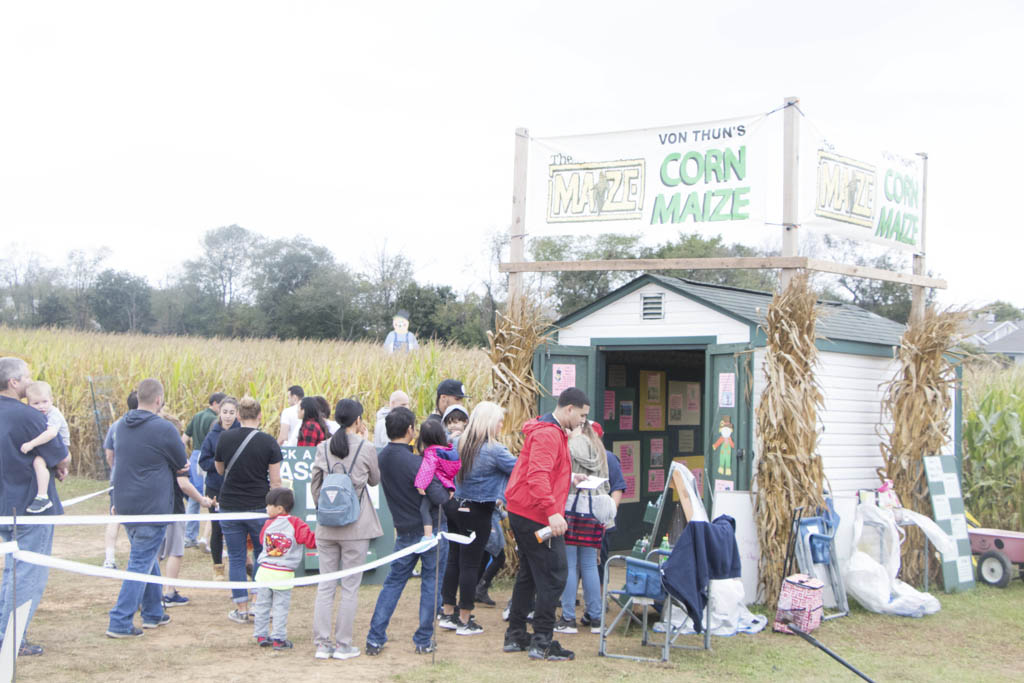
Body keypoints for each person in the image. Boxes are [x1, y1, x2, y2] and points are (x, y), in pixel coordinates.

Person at [503, 387, 590, 662]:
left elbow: (544, 470)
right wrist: (553, 513)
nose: (582, 422)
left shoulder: (548, 431)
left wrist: (569, 478)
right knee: (555, 575)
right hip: (536, 515)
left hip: (524, 511)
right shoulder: (549, 434)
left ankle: (516, 635)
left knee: (529, 573)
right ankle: (542, 641)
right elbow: (537, 476)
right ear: (569, 409)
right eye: (582, 416)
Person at [106, 378, 188, 638]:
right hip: (152, 505)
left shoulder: (120, 425)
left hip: (125, 503)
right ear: (158, 400)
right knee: (140, 561)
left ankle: (153, 612)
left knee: (146, 554)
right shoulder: (164, 428)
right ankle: (119, 621)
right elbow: (181, 463)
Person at [365, 407, 450, 656]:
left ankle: (375, 637)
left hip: (403, 530)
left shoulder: (383, 458)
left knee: (393, 583)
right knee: (431, 584)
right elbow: (439, 496)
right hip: (430, 530)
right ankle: (423, 639)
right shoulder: (416, 462)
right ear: (410, 430)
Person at [0, 357, 69, 656]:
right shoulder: (27, 415)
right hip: (29, 507)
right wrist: (59, 465)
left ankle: (5, 632)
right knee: (28, 573)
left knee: (11, 573)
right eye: (26, 378)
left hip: (4, 504)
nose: (30, 382)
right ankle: (11, 639)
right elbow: (59, 455)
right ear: (14, 382)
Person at [310, 399, 382, 660]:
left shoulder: (323, 447)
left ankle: (322, 644)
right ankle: (343, 644)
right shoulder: (366, 448)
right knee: (350, 587)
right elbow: (374, 480)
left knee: (325, 584)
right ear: (358, 420)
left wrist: (325, 508)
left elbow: (315, 485)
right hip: (356, 526)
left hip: (326, 526)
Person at [439, 401, 516, 635]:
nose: (502, 425)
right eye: (499, 421)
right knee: (471, 564)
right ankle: (465, 618)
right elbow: (519, 470)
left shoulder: (456, 442)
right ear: (489, 422)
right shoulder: (495, 450)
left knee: (454, 559)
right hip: (479, 510)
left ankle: (448, 612)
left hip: (454, 507)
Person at [215, 396, 283, 624]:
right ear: (260, 415)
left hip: (230, 505)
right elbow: (276, 482)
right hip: (259, 506)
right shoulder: (268, 442)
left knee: (235, 557)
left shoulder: (225, 438)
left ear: (239, 416)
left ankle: (241, 607)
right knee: (262, 556)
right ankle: (257, 603)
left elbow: (219, 469)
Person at [556, 418, 610, 635]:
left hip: (571, 507)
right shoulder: (598, 447)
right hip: (594, 510)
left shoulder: (570, 445)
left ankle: (568, 617)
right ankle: (596, 617)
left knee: (569, 564)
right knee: (589, 564)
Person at [158, 410, 214, 608]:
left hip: (152, 506)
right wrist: (202, 500)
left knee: (152, 553)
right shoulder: (174, 452)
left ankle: (149, 593)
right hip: (171, 507)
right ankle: (169, 592)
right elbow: (183, 483)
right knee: (175, 551)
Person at [252, 487, 316, 650]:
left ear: (279, 508)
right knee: (280, 608)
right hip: (283, 574)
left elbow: (261, 541)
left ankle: (261, 635)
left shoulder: (268, 523)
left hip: (265, 571)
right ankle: (278, 639)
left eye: (268, 505)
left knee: (262, 605)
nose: (266, 508)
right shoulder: (297, 523)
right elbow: (310, 541)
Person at [198, 396, 240, 580]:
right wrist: (218, 465)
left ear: (237, 414)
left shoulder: (242, 433)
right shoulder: (212, 435)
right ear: (219, 413)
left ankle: (240, 565)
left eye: (232, 413)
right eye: (225, 412)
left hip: (238, 487)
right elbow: (203, 460)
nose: (228, 416)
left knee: (237, 527)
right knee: (217, 528)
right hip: (216, 487)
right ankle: (218, 567)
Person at [18, 381, 71, 514]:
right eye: (36, 403)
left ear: (51, 400)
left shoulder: (54, 413)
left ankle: (42, 496)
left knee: (38, 461)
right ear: (28, 404)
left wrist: (31, 444)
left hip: (61, 446)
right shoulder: (38, 414)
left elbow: (51, 433)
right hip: (49, 447)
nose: (41, 406)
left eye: (44, 401)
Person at [182, 392, 226, 547]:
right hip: (209, 457)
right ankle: (218, 535)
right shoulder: (214, 420)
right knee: (210, 497)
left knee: (194, 496)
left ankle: (189, 536)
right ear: (215, 404)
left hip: (195, 456)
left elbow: (184, 439)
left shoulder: (197, 416)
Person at [103, 390, 138, 569]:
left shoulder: (116, 425)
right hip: (134, 481)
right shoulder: (140, 425)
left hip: (117, 479)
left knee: (114, 517)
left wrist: (116, 472)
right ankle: (131, 557)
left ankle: (109, 558)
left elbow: (110, 455)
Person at [414, 419, 459, 539]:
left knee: (424, 509)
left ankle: (427, 536)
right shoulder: (448, 451)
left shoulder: (431, 453)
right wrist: (451, 486)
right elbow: (451, 472)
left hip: (436, 487)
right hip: (445, 485)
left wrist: (420, 485)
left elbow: (427, 469)